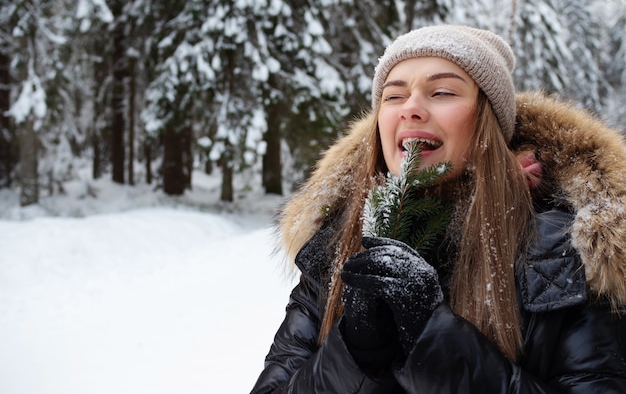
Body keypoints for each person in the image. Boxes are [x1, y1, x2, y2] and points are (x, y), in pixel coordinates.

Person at [250, 25, 626, 393]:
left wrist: (438, 340)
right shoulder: (337, 241)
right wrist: (353, 352)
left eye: (442, 92)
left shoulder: (563, 252)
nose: (411, 108)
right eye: (393, 97)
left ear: (487, 121)